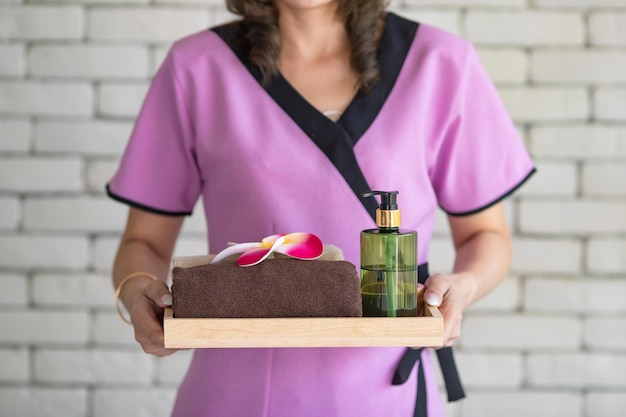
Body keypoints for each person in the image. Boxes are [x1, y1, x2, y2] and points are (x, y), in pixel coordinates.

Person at [107, 0, 535, 416]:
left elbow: (487, 236)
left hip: (387, 393)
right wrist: (137, 291)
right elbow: (143, 241)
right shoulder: (196, 68)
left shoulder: (441, 63)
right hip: (237, 393)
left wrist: (461, 287)